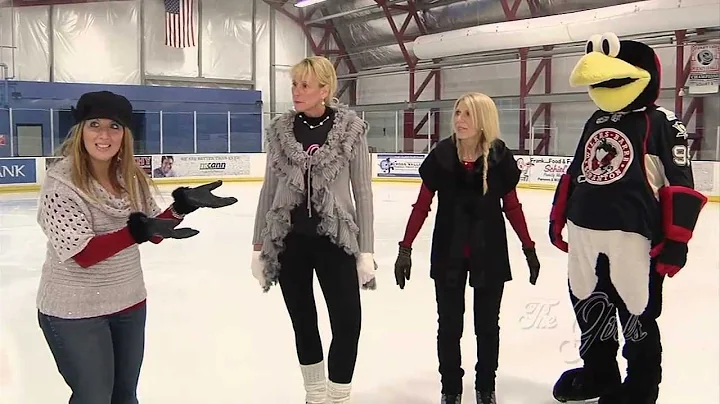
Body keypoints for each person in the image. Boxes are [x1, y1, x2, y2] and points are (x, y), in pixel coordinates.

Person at [36, 90, 237, 404]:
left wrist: (183, 205)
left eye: (114, 126)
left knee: (125, 396)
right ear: (80, 131)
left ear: (125, 134)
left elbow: (154, 231)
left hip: (129, 304)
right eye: (94, 125)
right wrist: (140, 231)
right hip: (73, 311)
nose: (104, 135)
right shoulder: (60, 182)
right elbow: (83, 254)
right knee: (94, 397)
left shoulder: (130, 177)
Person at [550, 33, 708, 404]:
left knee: (637, 315)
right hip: (587, 238)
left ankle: (640, 388)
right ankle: (599, 374)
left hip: (637, 242)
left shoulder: (663, 121)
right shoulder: (596, 118)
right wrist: (560, 217)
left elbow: (680, 184)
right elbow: (577, 172)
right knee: (591, 308)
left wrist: (676, 243)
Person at [394, 92, 541, 404]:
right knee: (449, 326)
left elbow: (512, 207)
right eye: (457, 113)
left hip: (489, 251)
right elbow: (421, 206)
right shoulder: (442, 155)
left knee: (487, 326)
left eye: (467, 115)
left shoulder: (499, 156)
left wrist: (528, 248)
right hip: (449, 251)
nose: (458, 120)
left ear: (483, 120)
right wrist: (404, 248)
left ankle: (485, 389)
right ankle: (451, 390)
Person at [250, 56, 375, 404]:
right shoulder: (280, 131)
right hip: (290, 243)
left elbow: (362, 191)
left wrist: (366, 249)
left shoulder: (351, 129)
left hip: (336, 241)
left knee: (348, 323)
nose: (296, 92)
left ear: (325, 89)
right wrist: (258, 245)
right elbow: (268, 188)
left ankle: (339, 395)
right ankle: (315, 395)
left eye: (305, 85)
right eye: (294, 84)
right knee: (303, 322)